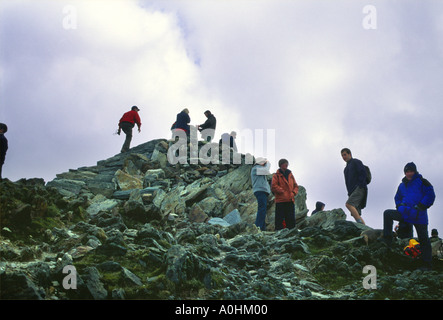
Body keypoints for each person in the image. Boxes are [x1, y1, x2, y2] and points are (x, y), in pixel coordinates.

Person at [382, 162, 436, 270]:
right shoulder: (402, 185)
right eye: (407, 171)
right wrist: (399, 206)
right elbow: (397, 197)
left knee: (424, 239)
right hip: (405, 214)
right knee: (387, 213)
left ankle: (427, 264)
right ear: (405, 172)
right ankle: (387, 240)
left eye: (411, 171)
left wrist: (421, 206)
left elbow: (431, 194)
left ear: (415, 171)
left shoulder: (422, 182)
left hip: (418, 216)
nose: (409, 173)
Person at [341, 148, 368, 224]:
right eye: (342, 156)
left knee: (349, 204)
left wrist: (360, 185)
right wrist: (349, 193)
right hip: (352, 191)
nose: (343, 157)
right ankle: (364, 228)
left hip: (360, 188)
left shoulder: (356, 162)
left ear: (349, 154)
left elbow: (363, 174)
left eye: (345, 154)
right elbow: (347, 183)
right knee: (355, 213)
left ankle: (359, 224)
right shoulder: (345, 169)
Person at [271, 159, 299, 230]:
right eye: (284, 163)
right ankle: (278, 234)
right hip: (280, 200)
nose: (286, 165)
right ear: (280, 165)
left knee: (291, 219)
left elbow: (296, 186)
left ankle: (292, 233)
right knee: (279, 219)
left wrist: (293, 193)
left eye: (287, 163)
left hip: (290, 200)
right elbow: (273, 186)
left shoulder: (291, 175)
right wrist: (283, 191)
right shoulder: (276, 175)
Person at [251, 157, 271, 231]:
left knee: (263, 209)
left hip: (262, 191)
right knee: (262, 209)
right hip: (260, 190)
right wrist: (268, 162)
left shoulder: (258, 169)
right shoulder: (256, 168)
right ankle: (258, 226)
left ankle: (262, 228)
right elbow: (266, 170)